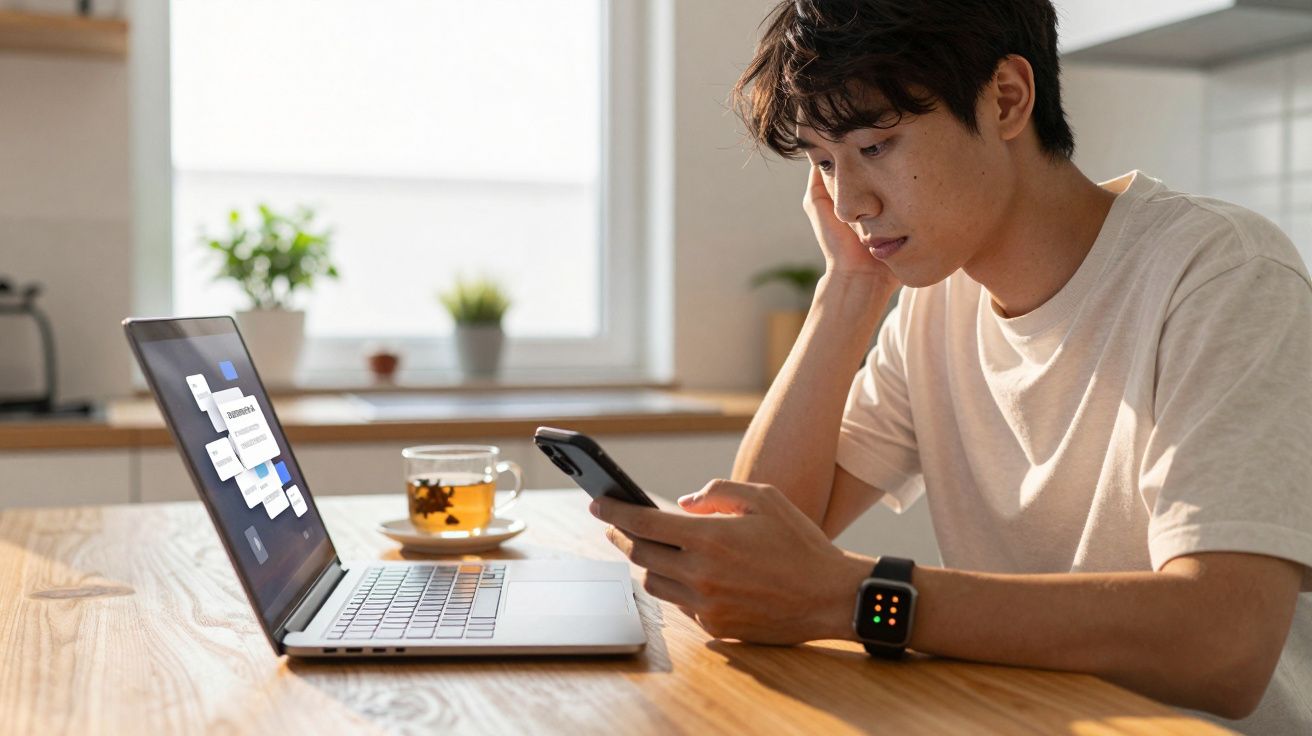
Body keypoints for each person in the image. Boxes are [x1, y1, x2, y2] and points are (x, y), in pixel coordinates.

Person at [587, 1, 1312, 732]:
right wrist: (849, 290)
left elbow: (1224, 645)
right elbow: (766, 537)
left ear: (1006, 100)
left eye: (875, 147)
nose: (850, 202)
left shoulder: (1222, 274)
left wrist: (857, 596)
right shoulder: (938, 303)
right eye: (823, 163)